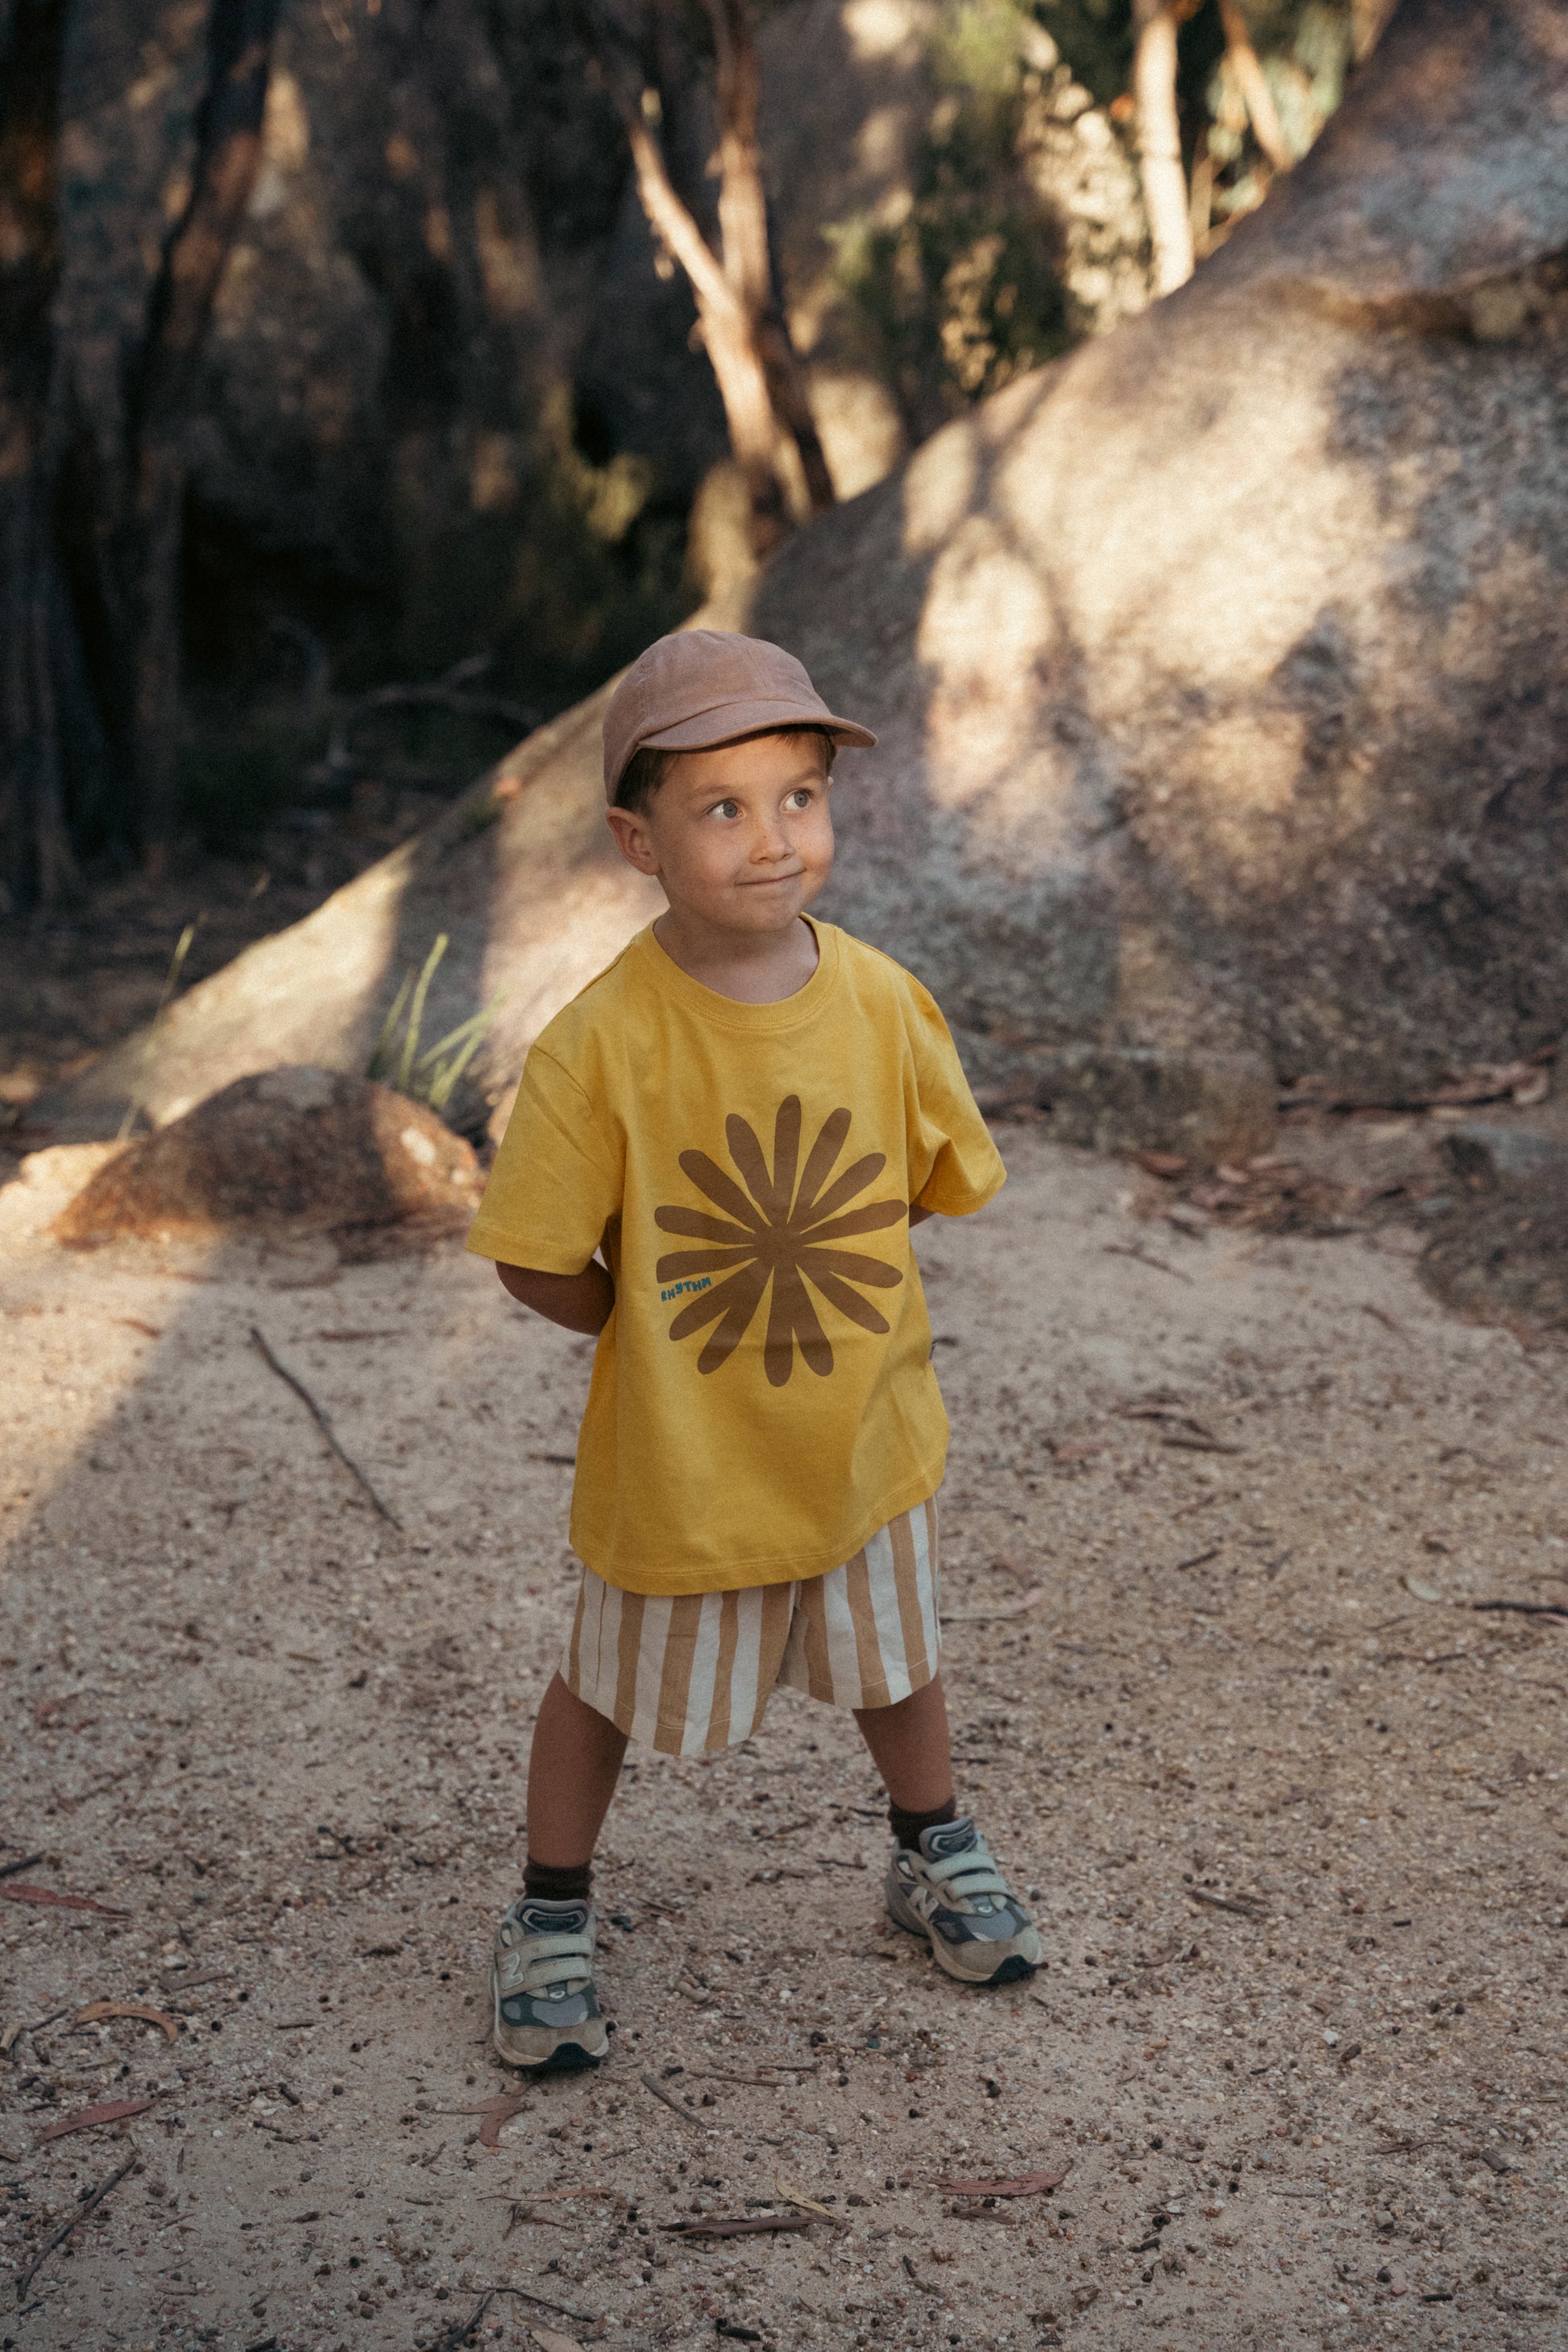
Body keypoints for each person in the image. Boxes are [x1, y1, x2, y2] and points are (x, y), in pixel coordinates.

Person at [465, 628, 1040, 2072]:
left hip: (859, 1438)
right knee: (606, 1679)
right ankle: (548, 1909)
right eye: (721, 808)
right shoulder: (601, 1043)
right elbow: (536, 1252)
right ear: (636, 841)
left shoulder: (884, 1001)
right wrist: (645, 1334)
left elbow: (928, 1180)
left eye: (798, 796)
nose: (773, 838)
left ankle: (931, 1845)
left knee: (896, 1657)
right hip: (684, 1465)